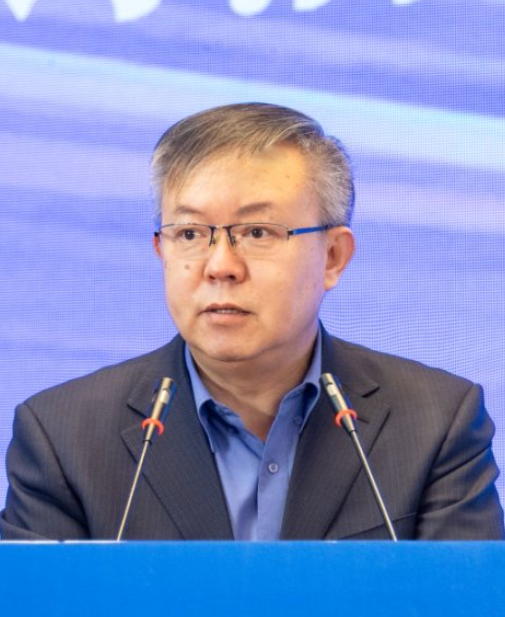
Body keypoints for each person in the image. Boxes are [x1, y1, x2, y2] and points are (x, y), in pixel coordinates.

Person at [1, 102, 503, 541]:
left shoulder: (434, 423)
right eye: (190, 233)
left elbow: (462, 601)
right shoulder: (63, 437)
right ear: (161, 250)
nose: (220, 265)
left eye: (258, 232)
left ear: (333, 257)